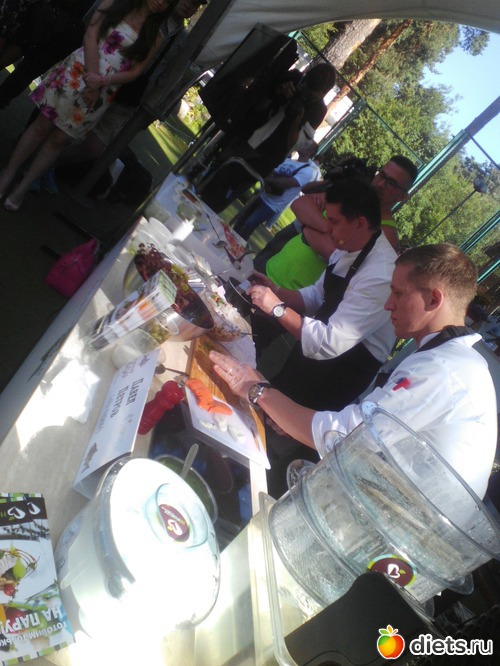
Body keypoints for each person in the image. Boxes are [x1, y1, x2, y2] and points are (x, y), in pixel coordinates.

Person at [210, 243, 497, 500]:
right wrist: (292, 416)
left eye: (398, 293)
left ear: (434, 300)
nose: (388, 304)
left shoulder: (444, 369)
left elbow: (349, 436)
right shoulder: (447, 358)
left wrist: (256, 388)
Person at [0, 0, 172, 211]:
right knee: (41, 126)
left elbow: (136, 71)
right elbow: (91, 31)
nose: (160, 2)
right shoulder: (117, 3)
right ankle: (8, 174)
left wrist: (103, 82)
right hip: (78, 70)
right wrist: (93, 77)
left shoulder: (156, 35)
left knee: (59, 139)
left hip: (105, 89)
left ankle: (22, 187)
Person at [250, 178, 397, 409]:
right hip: (310, 350)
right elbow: (316, 297)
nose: (327, 227)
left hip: (339, 373)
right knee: (267, 402)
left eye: (335, 221)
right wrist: (275, 291)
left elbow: (330, 342)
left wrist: (277, 308)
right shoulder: (348, 247)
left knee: (280, 422)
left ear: (360, 224)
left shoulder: (381, 275)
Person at [57, 0, 207, 168]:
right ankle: (44, 163)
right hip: (105, 78)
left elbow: (168, 75)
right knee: (64, 126)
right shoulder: (149, 14)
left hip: (131, 96)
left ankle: (53, 165)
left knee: (94, 146)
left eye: (196, 4)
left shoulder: (182, 40)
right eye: (188, 0)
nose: (189, 6)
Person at [198, 62, 336, 213]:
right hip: (245, 135)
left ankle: (207, 211)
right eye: (305, 87)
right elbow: (256, 99)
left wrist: (296, 118)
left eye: (312, 95)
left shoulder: (318, 110)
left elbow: (294, 144)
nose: (306, 94)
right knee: (212, 176)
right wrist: (278, 90)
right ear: (305, 77)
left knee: (223, 196)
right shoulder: (293, 77)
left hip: (264, 158)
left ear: (324, 93)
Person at [232, 141, 320, 241]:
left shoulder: (307, 171)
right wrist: (267, 181)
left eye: (305, 144)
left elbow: (288, 182)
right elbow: (272, 171)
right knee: (241, 219)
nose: (301, 144)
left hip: (272, 205)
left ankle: (237, 245)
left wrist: (267, 180)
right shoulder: (289, 160)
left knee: (248, 225)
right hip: (262, 195)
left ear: (309, 152)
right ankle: (230, 240)